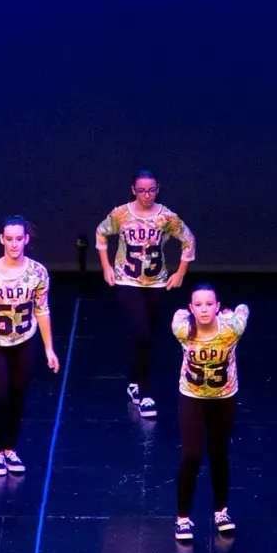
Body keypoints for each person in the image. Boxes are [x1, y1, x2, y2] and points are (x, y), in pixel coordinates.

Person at [96, 171, 197, 419]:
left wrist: (180, 272)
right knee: (142, 333)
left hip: (156, 282)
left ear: (157, 189)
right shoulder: (121, 214)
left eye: (151, 190)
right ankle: (144, 392)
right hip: (126, 279)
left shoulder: (166, 217)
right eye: (141, 190)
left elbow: (188, 239)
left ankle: (134, 383)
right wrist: (106, 266)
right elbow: (101, 232)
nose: (146, 195)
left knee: (148, 338)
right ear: (133, 189)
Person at [0, 218, 60, 476]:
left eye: (19, 239)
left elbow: (42, 309)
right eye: (9, 239)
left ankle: (10, 448)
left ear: (26, 240)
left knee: (17, 397)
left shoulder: (38, 272)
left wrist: (49, 348)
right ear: (1, 239)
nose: (14, 244)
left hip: (24, 342)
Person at [171, 285, 249, 541]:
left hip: (223, 397)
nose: (204, 309)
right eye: (198, 305)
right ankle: (182, 518)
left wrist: (231, 314)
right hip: (192, 396)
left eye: (209, 304)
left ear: (217, 306)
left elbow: (244, 310)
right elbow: (177, 315)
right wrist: (186, 312)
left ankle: (221, 511)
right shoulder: (183, 330)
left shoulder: (232, 330)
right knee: (191, 455)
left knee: (218, 454)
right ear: (192, 308)